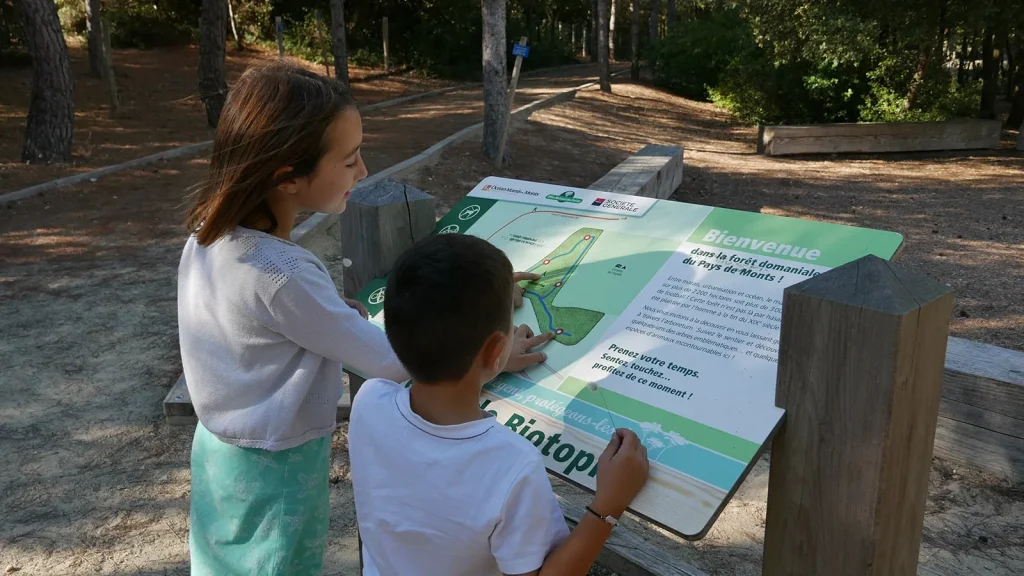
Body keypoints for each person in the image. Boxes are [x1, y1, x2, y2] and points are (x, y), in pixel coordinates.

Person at [178, 62, 550, 575]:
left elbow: (258, 328)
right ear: (287, 177)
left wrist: (327, 317)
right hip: (276, 467)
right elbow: (395, 362)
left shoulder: (208, 233)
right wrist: (484, 345)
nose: (364, 171)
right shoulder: (283, 273)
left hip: (220, 456)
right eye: (350, 159)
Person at [349, 233, 651, 576]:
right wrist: (608, 505)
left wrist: (485, 365)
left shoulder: (369, 400)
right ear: (495, 351)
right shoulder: (512, 463)